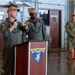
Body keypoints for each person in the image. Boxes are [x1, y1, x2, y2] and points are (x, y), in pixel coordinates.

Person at [0, 6, 27, 75]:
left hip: (18, 48)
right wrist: (12, 26)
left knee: (16, 66)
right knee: (7, 67)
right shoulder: (4, 24)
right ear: (9, 13)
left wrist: (26, 27)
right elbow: (5, 34)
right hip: (9, 48)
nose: (16, 13)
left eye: (16, 12)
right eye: (14, 12)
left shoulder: (18, 23)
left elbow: (24, 29)